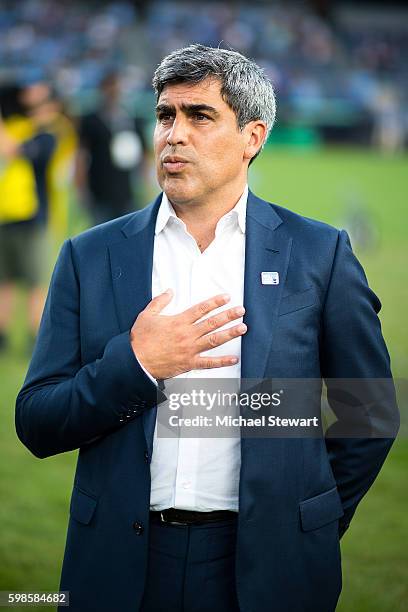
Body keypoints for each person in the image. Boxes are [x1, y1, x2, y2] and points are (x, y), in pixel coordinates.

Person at [15, 45, 398, 612]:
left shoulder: (320, 253)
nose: (174, 134)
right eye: (166, 115)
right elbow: (39, 420)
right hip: (121, 563)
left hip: (265, 565)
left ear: (253, 137)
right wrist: (138, 366)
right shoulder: (89, 255)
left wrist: (307, 522)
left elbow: (367, 413)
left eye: (200, 116)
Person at [0, 82, 58, 351]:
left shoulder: (46, 137)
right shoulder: (21, 128)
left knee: (35, 282)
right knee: (8, 281)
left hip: (32, 217)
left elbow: (16, 151)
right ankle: (6, 337)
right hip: (9, 214)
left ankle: (34, 338)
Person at [75, 70, 148, 226]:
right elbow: (81, 155)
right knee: (101, 237)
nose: (115, 92)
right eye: (111, 87)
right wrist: (81, 188)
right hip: (99, 191)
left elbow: (144, 156)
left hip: (127, 192)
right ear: (103, 90)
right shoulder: (91, 120)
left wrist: (144, 184)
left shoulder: (133, 120)